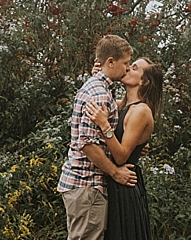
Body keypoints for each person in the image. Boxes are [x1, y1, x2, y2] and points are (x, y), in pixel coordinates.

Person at [58, 35, 138, 240]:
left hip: (84, 186)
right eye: (125, 63)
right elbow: (87, 143)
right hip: (87, 185)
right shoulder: (99, 94)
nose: (127, 69)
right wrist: (115, 172)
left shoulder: (100, 88)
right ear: (110, 62)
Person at [86, 57, 164, 240]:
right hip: (114, 183)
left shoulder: (141, 111)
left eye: (134, 68)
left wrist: (105, 126)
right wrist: (99, 75)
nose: (128, 68)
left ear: (144, 81)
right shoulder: (123, 106)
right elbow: (105, 99)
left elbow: (121, 157)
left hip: (124, 186)